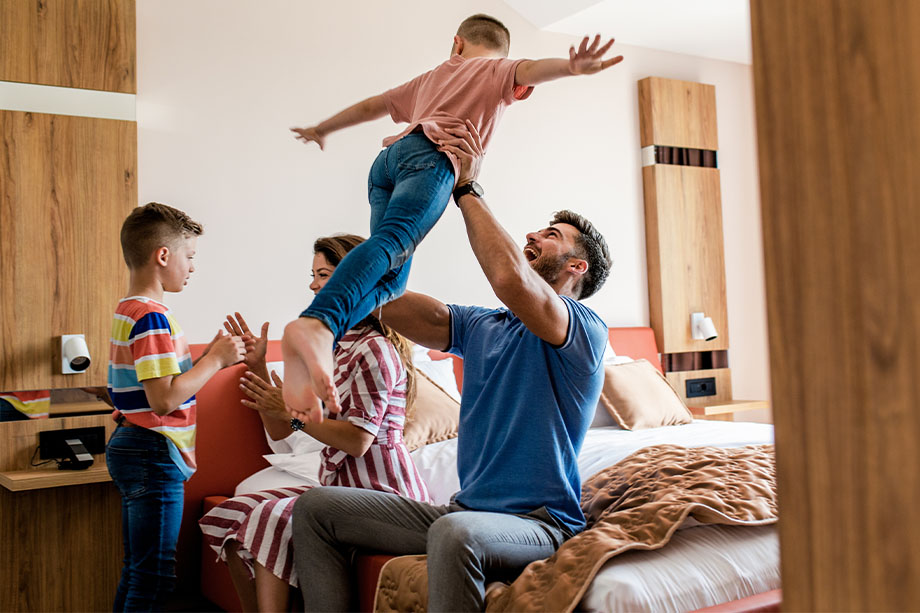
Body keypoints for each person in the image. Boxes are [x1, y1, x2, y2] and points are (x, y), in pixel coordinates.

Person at [290, 123, 612, 611]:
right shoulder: (484, 325)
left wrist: (465, 188)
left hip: (538, 525)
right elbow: (389, 301)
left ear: (577, 266)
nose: (532, 234)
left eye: (550, 236)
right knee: (315, 509)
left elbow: (510, 278)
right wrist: (396, 209)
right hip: (463, 514)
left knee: (455, 534)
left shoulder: (584, 330)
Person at [283, 14, 623, 423]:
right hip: (431, 157)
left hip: (387, 161)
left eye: (551, 235)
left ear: (456, 44)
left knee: (389, 283)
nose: (532, 234)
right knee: (392, 244)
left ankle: (321, 332)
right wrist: (570, 68)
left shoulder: (433, 76)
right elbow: (532, 69)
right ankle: (319, 325)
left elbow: (374, 105)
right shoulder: (497, 70)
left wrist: (323, 128)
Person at [198, 234, 431, 613]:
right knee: (230, 515)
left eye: (323, 274)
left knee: (269, 518)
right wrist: (256, 368)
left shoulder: (373, 348)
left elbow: (357, 441)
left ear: (354, 279)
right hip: (338, 491)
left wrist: (291, 413)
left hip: (384, 493)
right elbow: (282, 431)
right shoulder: (330, 349)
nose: (312, 285)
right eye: (313, 275)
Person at [105, 202, 246, 611]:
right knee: (154, 576)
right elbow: (164, 399)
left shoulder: (127, 309)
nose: (192, 267)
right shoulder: (153, 317)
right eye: (190, 256)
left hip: (135, 443)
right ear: (163, 256)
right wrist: (215, 361)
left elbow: (135, 389)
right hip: (153, 449)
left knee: (137, 570)